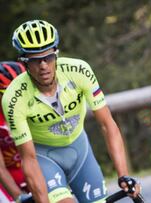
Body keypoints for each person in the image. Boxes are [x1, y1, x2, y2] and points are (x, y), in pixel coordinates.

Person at [2, 20, 141, 203]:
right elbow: (28, 158)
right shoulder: (14, 98)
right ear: (24, 62)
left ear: (56, 55)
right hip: (44, 157)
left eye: (49, 57)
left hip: (80, 151)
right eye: (35, 60)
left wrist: (123, 175)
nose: (43, 66)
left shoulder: (79, 71)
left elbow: (107, 125)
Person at [0, 62, 31, 203]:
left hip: (33, 170)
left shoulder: (31, 105)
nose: (15, 98)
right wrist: (19, 196)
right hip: (5, 180)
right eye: (6, 93)